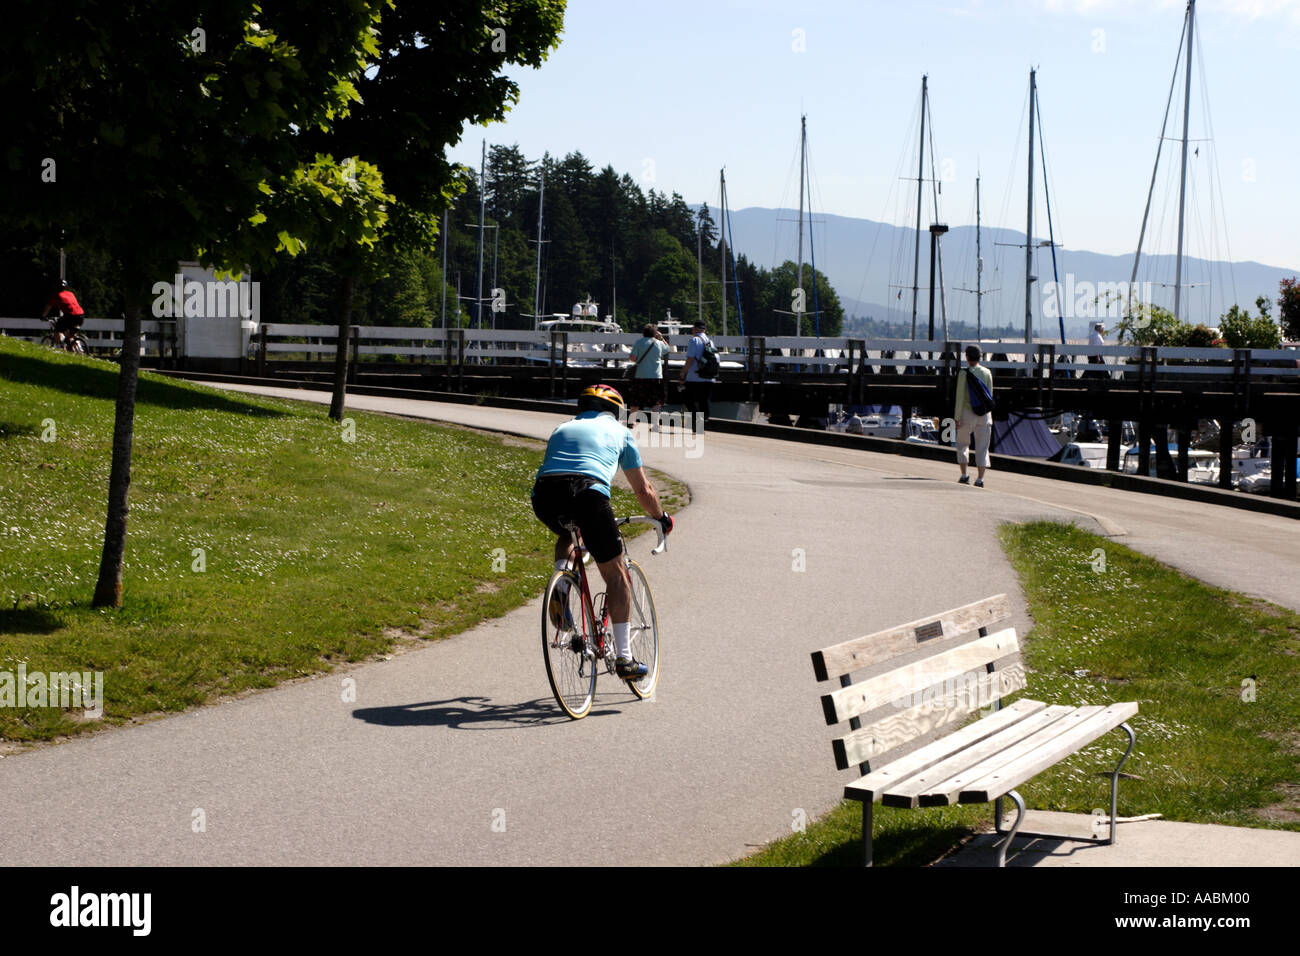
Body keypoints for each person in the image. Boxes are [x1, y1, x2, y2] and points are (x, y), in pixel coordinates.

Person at [531, 384, 673, 680]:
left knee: (568, 534)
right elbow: (644, 490)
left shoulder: (563, 427)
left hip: (544, 495)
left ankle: (561, 583)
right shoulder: (621, 433)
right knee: (617, 574)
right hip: (588, 493)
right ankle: (624, 659)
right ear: (616, 412)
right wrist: (661, 518)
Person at [954, 344, 993, 487]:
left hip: (967, 413)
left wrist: (957, 417)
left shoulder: (964, 373)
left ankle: (964, 475)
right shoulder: (987, 372)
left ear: (968, 357)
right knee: (982, 447)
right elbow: (990, 396)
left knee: (963, 444)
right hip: (984, 414)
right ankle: (980, 479)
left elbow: (960, 397)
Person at [627, 324, 670, 430]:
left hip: (641, 375)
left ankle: (631, 422)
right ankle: (655, 425)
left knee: (636, 400)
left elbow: (632, 358)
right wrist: (661, 337)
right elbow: (668, 349)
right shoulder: (659, 343)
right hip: (656, 376)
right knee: (656, 401)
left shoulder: (639, 342)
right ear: (654, 333)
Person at [677, 320, 716, 432]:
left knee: (688, 399)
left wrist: (683, 373)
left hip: (695, 376)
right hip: (709, 377)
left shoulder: (694, 340)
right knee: (704, 400)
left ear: (695, 329)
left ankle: (697, 421)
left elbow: (690, 359)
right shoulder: (709, 341)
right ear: (704, 329)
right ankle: (704, 423)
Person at [40, 280, 86, 350]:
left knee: (57, 329)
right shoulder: (71, 293)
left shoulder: (57, 295)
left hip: (70, 316)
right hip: (81, 316)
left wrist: (43, 316)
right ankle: (77, 347)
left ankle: (62, 345)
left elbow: (48, 307)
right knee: (72, 333)